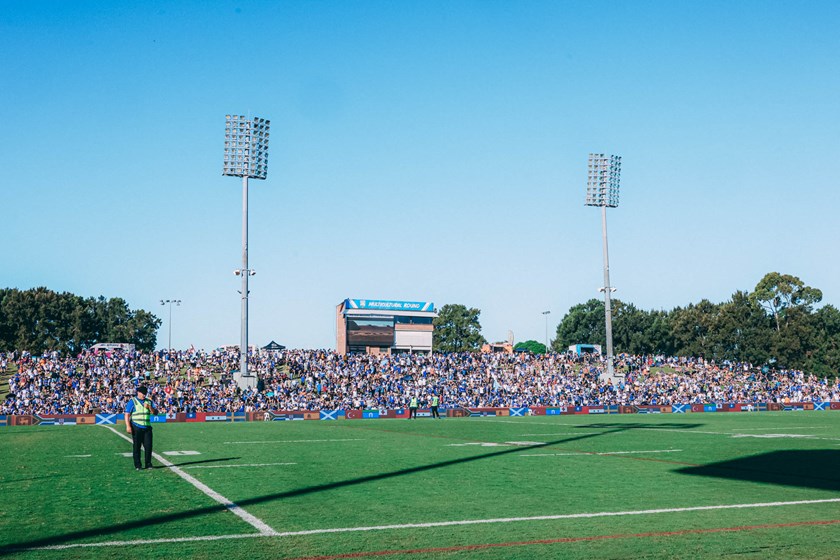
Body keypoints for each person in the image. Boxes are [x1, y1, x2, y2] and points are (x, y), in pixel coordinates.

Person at [124, 385, 157, 470]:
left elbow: (155, 412)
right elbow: (127, 414)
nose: (144, 395)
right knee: (137, 447)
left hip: (147, 427)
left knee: (148, 446)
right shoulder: (133, 401)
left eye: (145, 393)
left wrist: (149, 407)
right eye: (142, 393)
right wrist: (128, 426)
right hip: (136, 426)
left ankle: (148, 464)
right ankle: (138, 465)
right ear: (138, 392)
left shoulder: (149, 401)